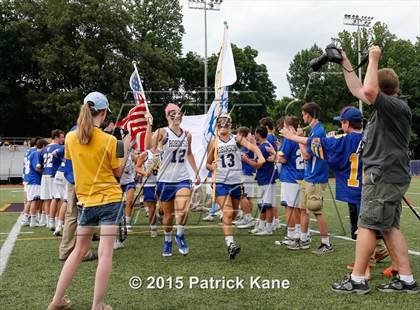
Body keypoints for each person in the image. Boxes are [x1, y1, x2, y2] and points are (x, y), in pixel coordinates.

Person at [331, 46, 418, 294]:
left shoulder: (394, 107)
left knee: (367, 225)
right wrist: (346, 62)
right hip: (388, 174)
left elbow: (368, 90)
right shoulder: (389, 106)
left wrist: (373, 59)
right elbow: (359, 89)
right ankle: (407, 279)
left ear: (381, 89)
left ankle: (358, 279)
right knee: (389, 227)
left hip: (383, 175)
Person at [48, 91, 130, 310]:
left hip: (86, 202)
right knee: (105, 253)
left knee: (78, 251)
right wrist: (126, 148)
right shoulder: (110, 140)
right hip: (110, 200)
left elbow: (73, 165)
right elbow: (118, 173)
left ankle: (57, 300)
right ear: (103, 113)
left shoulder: (70, 138)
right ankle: (97, 305)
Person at [207, 115, 264, 259]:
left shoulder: (236, 139)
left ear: (230, 125)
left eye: (226, 123)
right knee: (226, 212)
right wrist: (211, 166)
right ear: (217, 126)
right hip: (220, 182)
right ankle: (231, 244)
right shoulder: (214, 142)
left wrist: (260, 156)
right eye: (221, 123)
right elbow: (207, 163)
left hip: (236, 182)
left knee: (232, 213)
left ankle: (226, 223)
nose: (224, 125)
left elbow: (253, 147)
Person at [153, 103, 200, 257]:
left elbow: (189, 154)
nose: (176, 116)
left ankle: (180, 234)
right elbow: (148, 145)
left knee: (184, 209)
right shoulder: (162, 132)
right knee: (168, 217)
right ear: (167, 116)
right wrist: (149, 125)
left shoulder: (187, 135)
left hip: (182, 177)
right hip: (165, 179)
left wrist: (196, 172)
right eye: (172, 113)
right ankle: (167, 240)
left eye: (178, 113)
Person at [287, 102, 333, 255]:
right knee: (303, 209)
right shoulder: (315, 131)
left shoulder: (318, 132)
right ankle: (304, 238)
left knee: (316, 210)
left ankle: (326, 243)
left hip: (316, 176)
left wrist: (297, 138)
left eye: (303, 114)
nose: (302, 117)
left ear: (309, 114)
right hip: (309, 175)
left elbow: (306, 155)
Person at [274, 116, 305, 246]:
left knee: (289, 207)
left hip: (290, 177)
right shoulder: (300, 137)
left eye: (284, 126)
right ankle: (299, 233)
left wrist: (275, 154)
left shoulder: (289, 138)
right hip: (301, 175)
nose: (282, 129)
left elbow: (283, 159)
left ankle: (292, 235)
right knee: (297, 208)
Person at [243, 127, 277, 236]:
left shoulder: (263, 147)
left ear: (258, 134)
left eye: (255, 134)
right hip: (265, 179)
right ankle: (262, 226)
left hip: (267, 179)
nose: (254, 136)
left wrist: (246, 160)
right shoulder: (266, 145)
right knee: (262, 205)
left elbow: (258, 165)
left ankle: (268, 228)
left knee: (267, 205)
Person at [40, 129, 65, 229]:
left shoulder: (45, 148)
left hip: (45, 174)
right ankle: (57, 221)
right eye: (62, 137)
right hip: (54, 175)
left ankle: (49, 221)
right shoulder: (59, 147)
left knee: (47, 199)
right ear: (56, 137)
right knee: (57, 198)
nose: (63, 139)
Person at [235, 127, 258, 229]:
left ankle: (249, 219)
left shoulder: (248, 146)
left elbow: (253, 158)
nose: (236, 136)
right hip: (245, 174)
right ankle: (245, 217)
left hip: (247, 174)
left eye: (238, 134)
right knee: (245, 197)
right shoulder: (245, 145)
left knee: (245, 197)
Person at [135, 148, 160, 237]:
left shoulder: (165, 152)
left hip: (162, 183)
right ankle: (153, 228)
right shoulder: (146, 153)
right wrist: (145, 173)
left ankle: (159, 216)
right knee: (152, 209)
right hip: (149, 184)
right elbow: (137, 167)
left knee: (163, 208)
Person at [27, 139, 48, 227]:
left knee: (35, 200)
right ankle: (32, 221)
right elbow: (37, 168)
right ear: (43, 146)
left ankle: (33, 219)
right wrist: (45, 171)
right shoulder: (36, 154)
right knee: (34, 200)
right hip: (34, 180)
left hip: (32, 179)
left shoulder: (34, 153)